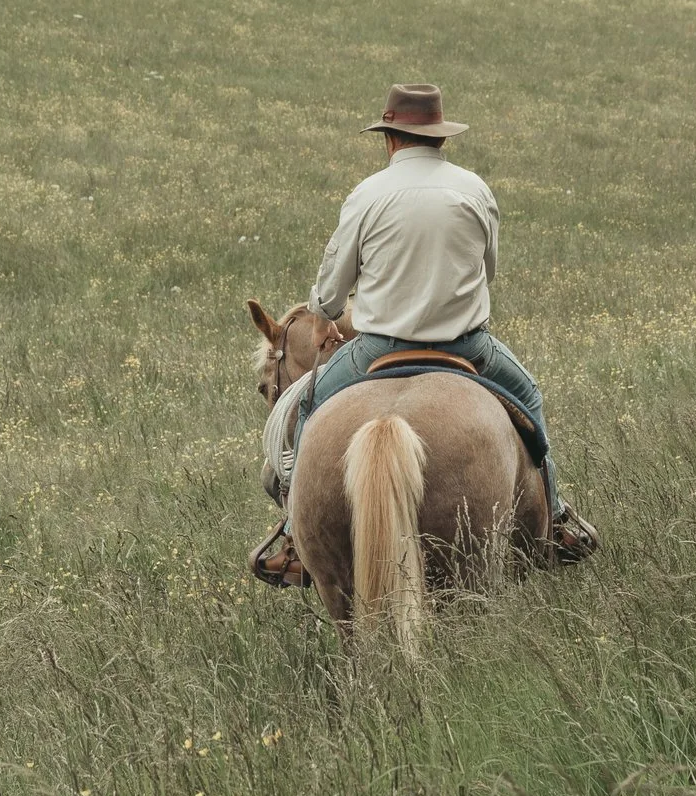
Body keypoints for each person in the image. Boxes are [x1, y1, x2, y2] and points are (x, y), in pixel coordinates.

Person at [253, 83, 598, 581]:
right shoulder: (474, 188)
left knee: (305, 414)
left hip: (376, 347)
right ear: (440, 138)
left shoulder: (366, 193)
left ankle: (293, 530)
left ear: (389, 138)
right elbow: (488, 270)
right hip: (468, 346)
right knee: (530, 401)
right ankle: (557, 519)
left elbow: (326, 300)